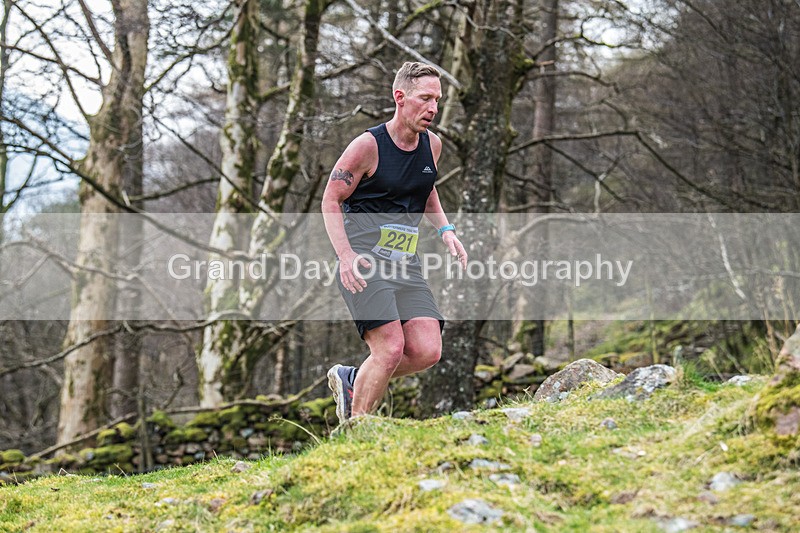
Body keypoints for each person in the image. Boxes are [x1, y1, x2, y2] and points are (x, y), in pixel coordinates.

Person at [321, 61, 468, 425]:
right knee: (389, 348)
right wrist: (345, 256)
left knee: (426, 350)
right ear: (400, 97)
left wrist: (445, 230)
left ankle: (353, 379)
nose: (433, 108)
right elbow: (330, 200)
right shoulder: (367, 147)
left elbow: (426, 187)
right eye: (425, 98)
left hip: (406, 263)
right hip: (364, 262)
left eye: (437, 99)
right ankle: (356, 432)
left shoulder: (431, 145)